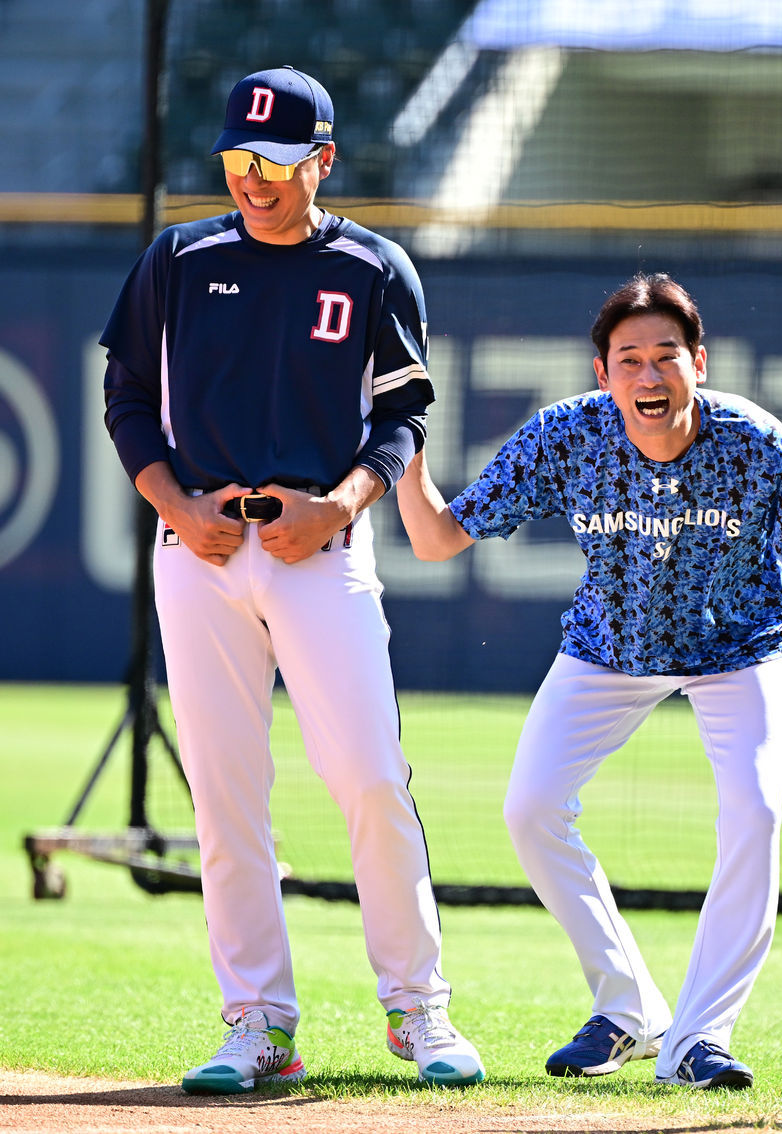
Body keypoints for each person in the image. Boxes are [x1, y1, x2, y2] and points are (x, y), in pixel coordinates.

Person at [395, 272, 782, 1090]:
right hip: (609, 648)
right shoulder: (565, 436)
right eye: (628, 358)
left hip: (741, 649)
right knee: (529, 809)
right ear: (602, 374)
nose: (648, 374)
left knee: (755, 811)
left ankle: (699, 1038)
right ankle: (629, 1008)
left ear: (698, 362)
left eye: (665, 355)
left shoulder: (760, 443)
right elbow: (434, 540)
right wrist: (403, 444)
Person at [100, 65, 484, 1094]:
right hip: (200, 552)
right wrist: (177, 506)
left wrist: (340, 506)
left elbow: (401, 418)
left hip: (319, 548)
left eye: (273, 161)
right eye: (237, 159)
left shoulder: (371, 266)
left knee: (367, 776)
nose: (253, 179)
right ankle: (258, 1022)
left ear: (321, 159)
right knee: (225, 798)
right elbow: (127, 395)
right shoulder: (178, 258)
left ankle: (419, 1008)